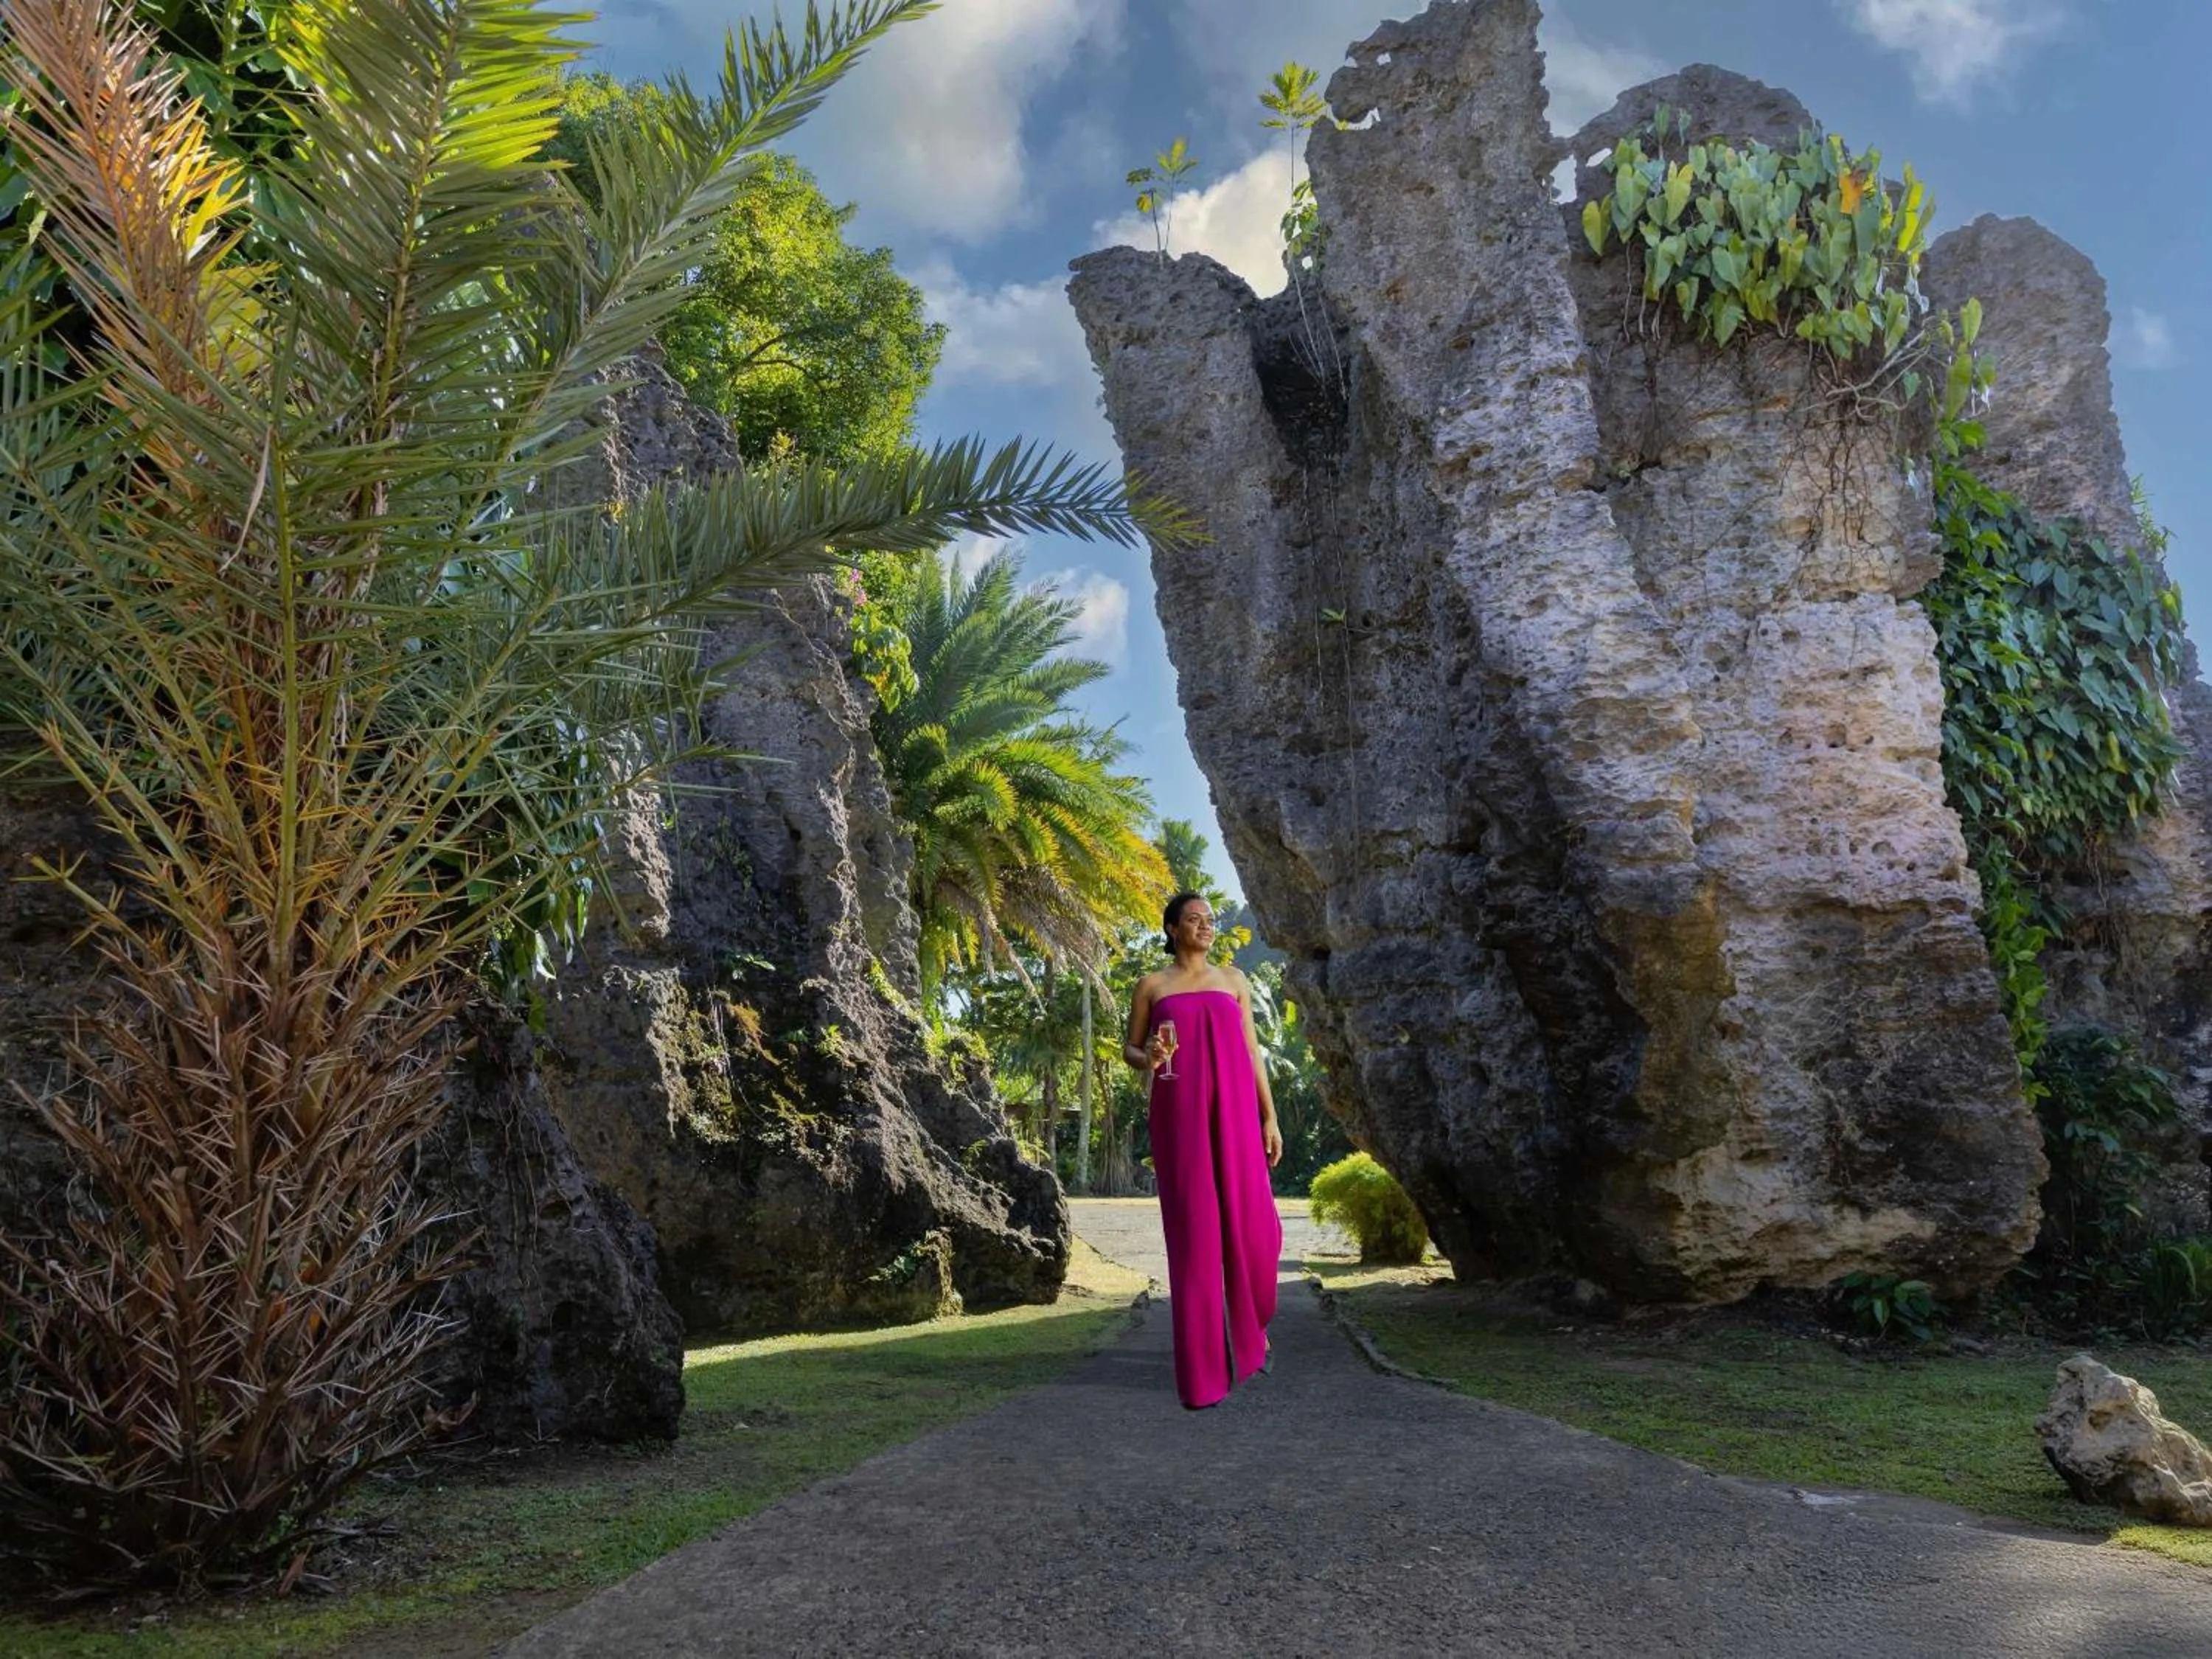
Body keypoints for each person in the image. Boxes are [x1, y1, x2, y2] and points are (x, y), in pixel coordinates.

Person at [1122, 890, 1284, 1409]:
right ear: (1172, 928)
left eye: (1209, 920)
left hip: (1237, 1113)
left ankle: (1253, 1332)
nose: (1205, 926)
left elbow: (1253, 1055)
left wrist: (1269, 1115)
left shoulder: (1234, 981)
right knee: (1194, 1242)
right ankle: (1201, 1377)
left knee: (1256, 1227)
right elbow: (1131, 1048)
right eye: (1193, 920)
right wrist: (1147, 1056)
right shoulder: (1152, 985)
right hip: (1179, 1114)